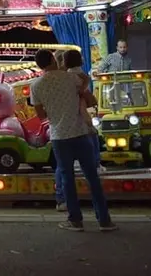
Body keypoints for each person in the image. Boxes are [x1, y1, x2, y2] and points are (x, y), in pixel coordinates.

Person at [31, 49, 116, 232]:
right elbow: (85, 85)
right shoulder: (69, 78)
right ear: (53, 59)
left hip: (59, 137)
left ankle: (75, 220)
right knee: (92, 177)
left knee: (67, 178)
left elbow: (40, 115)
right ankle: (104, 221)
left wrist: (54, 111)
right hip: (80, 133)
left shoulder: (36, 85)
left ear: (39, 65)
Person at [54, 49, 102, 211]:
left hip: (61, 131)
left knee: (64, 169)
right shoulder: (76, 78)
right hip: (78, 127)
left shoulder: (60, 79)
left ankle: (64, 202)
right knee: (90, 173)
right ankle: (102, 216)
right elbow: (88, 98)